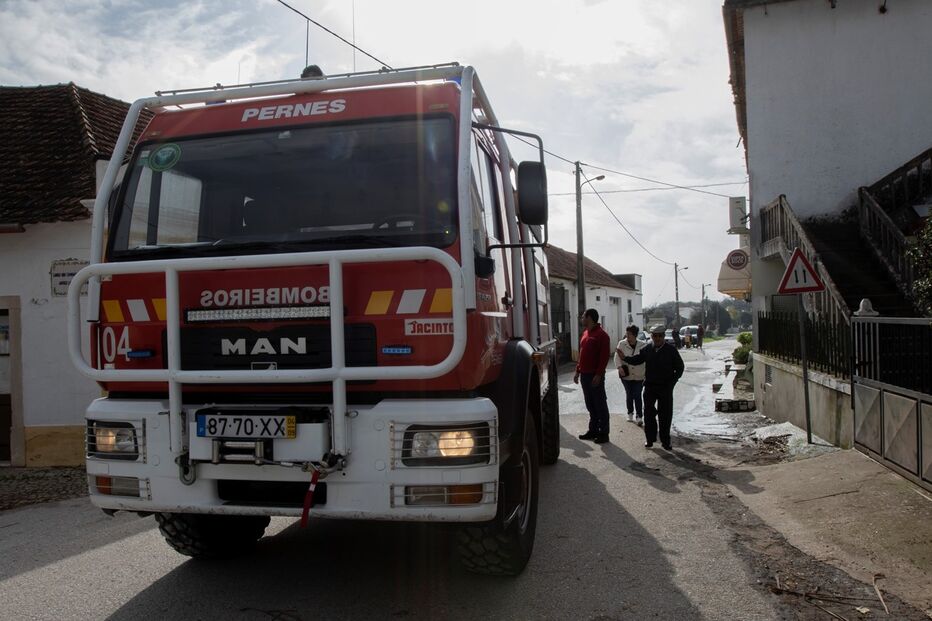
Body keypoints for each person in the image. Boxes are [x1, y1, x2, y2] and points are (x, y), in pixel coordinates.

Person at [618, 325, 685, 450]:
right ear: (652, 337)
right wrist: (625, 358)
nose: (657, 338)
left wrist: (672, 383)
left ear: (663, 337)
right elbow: (638, 359)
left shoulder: (671, 350)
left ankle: (666, 441)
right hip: (650, 386)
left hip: (665, 387)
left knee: (665, 415)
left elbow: (680, 367)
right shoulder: (648, 348)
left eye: (660, 336)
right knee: (648, 413)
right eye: (655, 336)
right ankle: (650, 439)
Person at [574, 308, 611, 444]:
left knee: (600, 404)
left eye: (583, 316)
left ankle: (604, 432)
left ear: (589, 318)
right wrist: (577, 371)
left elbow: (604, 357)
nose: (581, 318)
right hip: (584, 374)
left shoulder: (602, 335)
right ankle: (593, 430)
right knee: (590, 404)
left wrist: (599, 374)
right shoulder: (585, 334)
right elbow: (582, 354)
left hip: (595, 376)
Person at [614, 325, 646, 426]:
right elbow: (617, 357)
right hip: (626, 374)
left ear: (635, 335)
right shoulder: (622, 344)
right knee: (629, 394)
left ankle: (639, 416)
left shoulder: (643, 345)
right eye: (626, 333)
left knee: (637, 395)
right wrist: (619, 368)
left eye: (629, 334)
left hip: (639, 375)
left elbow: (645, 360)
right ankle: (630, 413)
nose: (627, 336)